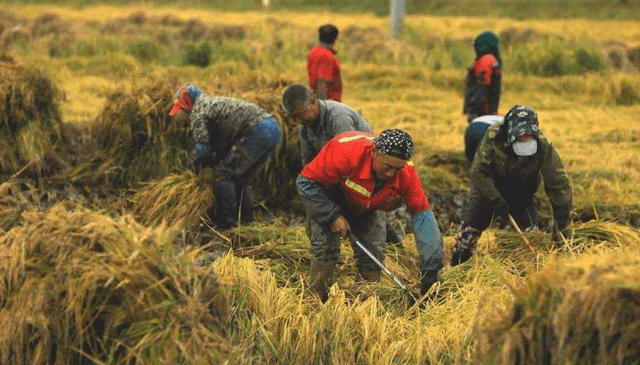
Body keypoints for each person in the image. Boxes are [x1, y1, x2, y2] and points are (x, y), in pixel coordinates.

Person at [296, 129, 444, 302]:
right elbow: (306, 184)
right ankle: (316, 302)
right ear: (374, 153)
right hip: (327, 198)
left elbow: (422, 217)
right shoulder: (346, 151)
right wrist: (331, 216)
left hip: (368, 207)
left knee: (373, 254)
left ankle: (363, 306)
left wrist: (430, 268)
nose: (391, 174)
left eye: (397, 169)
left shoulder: (406, 173)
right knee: (325, 250)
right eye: (387, 167)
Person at [451, 105, 572, 266]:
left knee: (531, 243)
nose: (525, 139)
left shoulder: (543, 145)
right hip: (489, 191)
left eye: (529, 137)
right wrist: (495, 199)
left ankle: (523, 278)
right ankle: (458, 270)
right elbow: (479, 173)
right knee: (466, 240)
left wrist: (561, 225)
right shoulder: (494, 137)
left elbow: (559, 184)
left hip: (523, 195)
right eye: (521, 137)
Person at [282, 83, 403, 244]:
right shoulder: (304, 127)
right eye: (293, 118)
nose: (298, 121)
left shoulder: (339, 117)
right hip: (336, 174)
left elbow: (351, 160)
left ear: (312, 102)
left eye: (300, 115)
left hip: (364, 175)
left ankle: (395, 249)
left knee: (367, 218)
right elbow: (308, 164)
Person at [168, 84, 281, 230]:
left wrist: (192, 169)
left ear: (188, 104)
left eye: (182, 107)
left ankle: (225, 226)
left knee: (222, 175)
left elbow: (202, 148)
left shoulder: (198, 113)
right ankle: (246, 223)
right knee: (241, 177)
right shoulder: (211, 102)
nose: (183, 111)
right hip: (272, 127)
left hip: (256, 131)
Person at [463, 31, 501, 123]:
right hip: (489, 111)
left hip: (483, 113)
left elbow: (481, 88)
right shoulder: (492, 60)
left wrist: (473, 112)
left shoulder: (485, 61)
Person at [308, 24, 342, 101]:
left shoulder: (314, 51)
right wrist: (324, 106)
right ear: (335, 38)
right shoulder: (326, 56)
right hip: (330, 101)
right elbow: (322, 82)